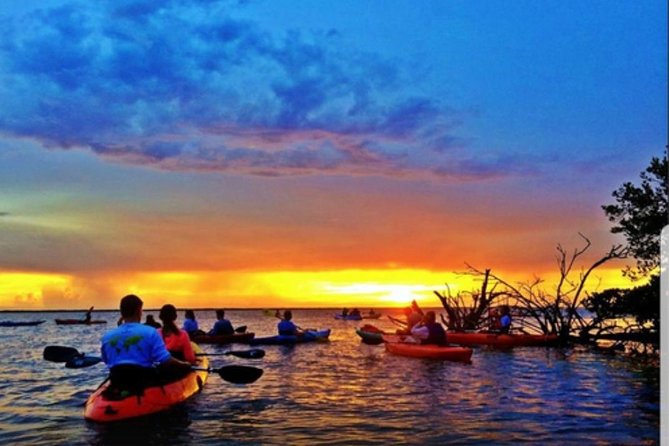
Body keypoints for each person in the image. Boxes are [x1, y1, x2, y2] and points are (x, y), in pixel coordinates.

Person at [100, 295, 193, 394]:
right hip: (143, 382)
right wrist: (185, 365)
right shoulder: (151, 332)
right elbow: (165, 361)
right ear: (138, 311)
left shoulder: (107, 337)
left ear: (122, 312)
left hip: (117, 380)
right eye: (141, 310)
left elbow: (107, 361)